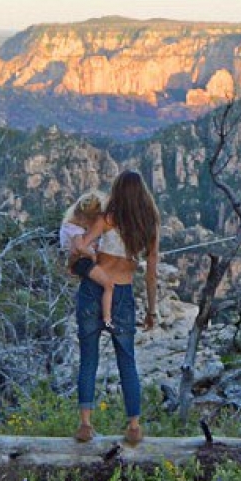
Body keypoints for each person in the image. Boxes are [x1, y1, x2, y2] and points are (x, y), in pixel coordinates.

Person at [69, 169, 159, 446]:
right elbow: (151, 273)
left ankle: (85, 424)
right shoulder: (149, 227)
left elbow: (79, 246)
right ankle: (133, 426)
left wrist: (91, 256)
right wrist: (151, 310)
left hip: (92, 288)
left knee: (88, 358)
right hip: (123, 294)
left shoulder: (107, 219)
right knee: (127, 362)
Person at [60, 190, 116, 330]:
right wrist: (92, 255)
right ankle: (107, 318)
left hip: (79, 262)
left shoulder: (68, 226)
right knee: (109, 285)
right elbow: (79, 248)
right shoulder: (76, 230)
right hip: (82, 262)